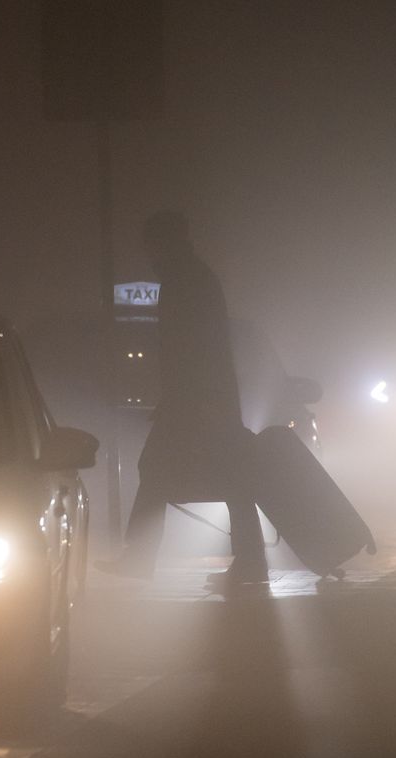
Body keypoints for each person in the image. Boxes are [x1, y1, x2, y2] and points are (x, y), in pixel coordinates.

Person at [104, 210, 267, 586]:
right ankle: (249, 560)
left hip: (195, 402)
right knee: (228, 478)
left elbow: (190, 349)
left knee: (160, 470)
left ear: (161, 244)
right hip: (203, 401)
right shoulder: (196, 279)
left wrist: (190, 398)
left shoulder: (184, 283)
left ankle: (141, 558)